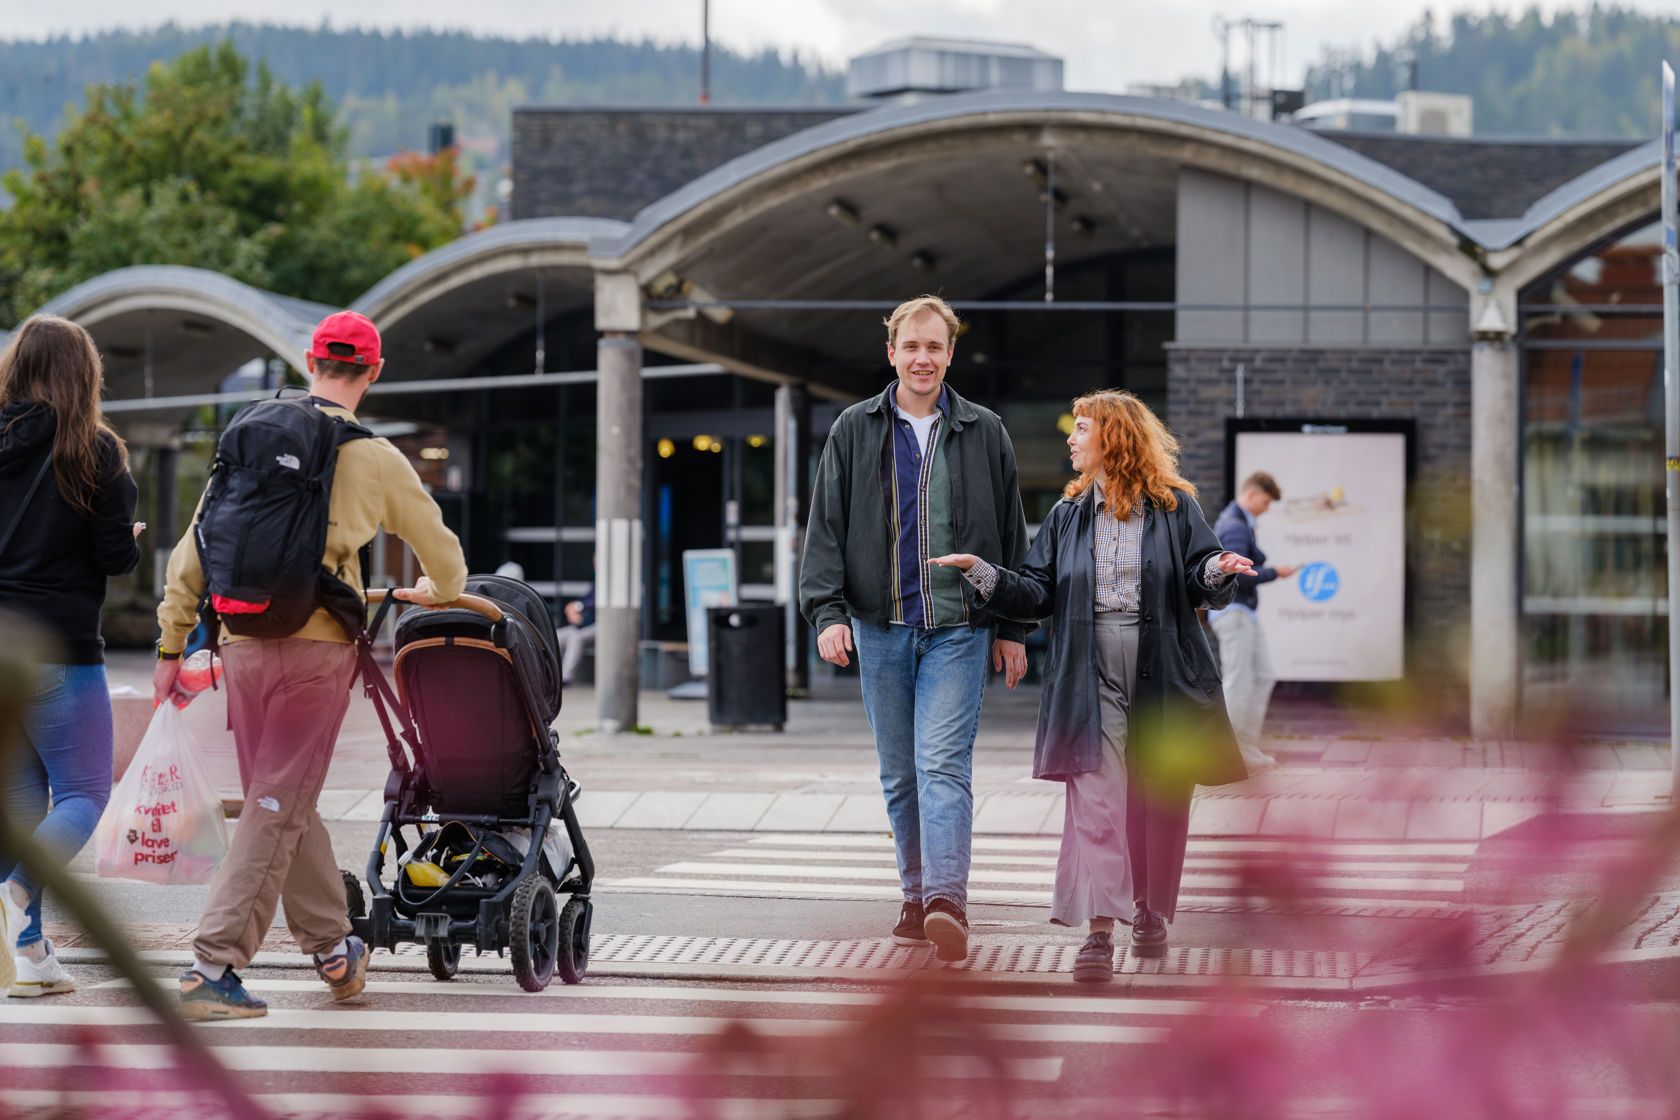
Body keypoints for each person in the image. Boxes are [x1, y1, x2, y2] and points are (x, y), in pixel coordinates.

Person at [155, 310, 467, 1020]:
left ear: (309, 361)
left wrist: (172, 647)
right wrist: (440, 594)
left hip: (241, 645)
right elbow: (442, 553)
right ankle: (212, 964)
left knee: (283, 799)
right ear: (374, 370)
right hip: (316, 651)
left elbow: (191, 553)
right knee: (277, 803)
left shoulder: (251, 437)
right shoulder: (375, 456)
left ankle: (334, 950)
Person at [931, 389, 1251, 980]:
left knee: (1158, 797)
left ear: (1114, 438)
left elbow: (1197, 569)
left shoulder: (1176, 508)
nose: (1071, 439)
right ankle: (1099, 936)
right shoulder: (1067, 515)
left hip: (1164, 664)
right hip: (1087, 669)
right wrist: (983, 573)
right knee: (1097, 801)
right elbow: (1036, 590)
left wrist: (1216, 568)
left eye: (1082, 429)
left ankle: (1150, 912)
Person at [799, 294, 1031, 963]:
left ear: (950, 354)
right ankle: (915, 896)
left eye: (935, 346)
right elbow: (827, 528)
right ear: (892, 352)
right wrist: (827, 612)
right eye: (912, 346)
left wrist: (1013, 626)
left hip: (960, 630)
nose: (923, 358)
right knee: (900, 774)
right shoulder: (854, 428)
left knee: (942, 766)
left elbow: (1011, 535)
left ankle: (946, 901)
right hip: (881, 628)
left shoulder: (985, 431)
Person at [0, 315, 142, 998]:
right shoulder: (95, 451)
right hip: (59, 646)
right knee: (85, 793)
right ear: (83, 373)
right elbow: (116, 559)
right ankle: (18, 896)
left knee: (22, 810)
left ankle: (28, 959)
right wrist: (129, 532)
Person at [1210, 472, 1299, 770]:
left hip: (1240, 612)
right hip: (1234, 611)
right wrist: (1276, 572)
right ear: (1250, 495)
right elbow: (1238, 574)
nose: (1267, 508)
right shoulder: (1235, 527)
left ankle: (1243, 747)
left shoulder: (1236, 523)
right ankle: (1230, 751)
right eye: (1265, 501)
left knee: (1261, 676)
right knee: (1239, 680)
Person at [556, 587, 595, 686]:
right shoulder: (596, 580)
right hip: (583, 625)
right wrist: (573, 606)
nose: (595, 570)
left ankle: (565, 678)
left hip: (602, 626)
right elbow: (586, 598)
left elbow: (595, 602)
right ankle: (544, 674)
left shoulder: (609, 579)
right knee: (555, 636)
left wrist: (578, 606)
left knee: (576, 637)